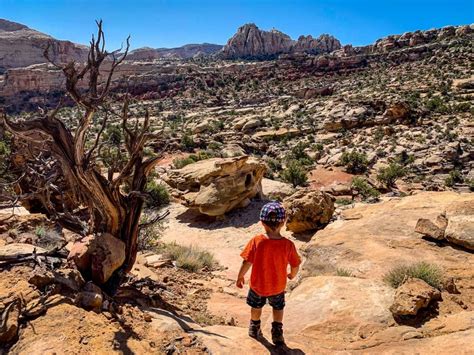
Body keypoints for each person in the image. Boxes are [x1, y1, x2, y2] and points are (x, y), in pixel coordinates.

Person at [236, 201, 301, 345]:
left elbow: (247, 261)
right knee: (278, 308)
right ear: (283, 222)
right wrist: (292, 274)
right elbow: (295, 264)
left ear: (261, 222)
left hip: (258, 285)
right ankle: (277, 332)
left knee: (256, 307)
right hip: (278, 286)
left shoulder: (257, 241)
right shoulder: (288, 245)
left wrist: (240, 276)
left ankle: (254, 326)